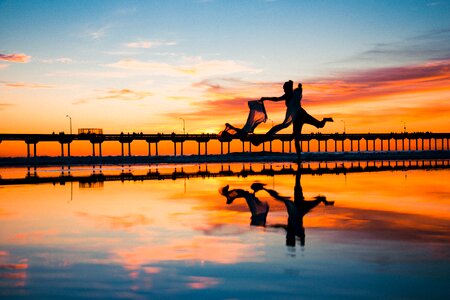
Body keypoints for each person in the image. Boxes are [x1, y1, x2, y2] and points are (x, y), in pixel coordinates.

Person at [254, 82, 333, 160]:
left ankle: (325, 120)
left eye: (284, 88)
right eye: (283, 89)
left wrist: (300, 87)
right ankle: (299, 158)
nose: (284, 90)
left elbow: (296, 92)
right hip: (296, 119)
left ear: (288, 89)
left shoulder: (292, 94)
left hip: (303, 115)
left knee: (319, 125)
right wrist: (266, 98)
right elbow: (276, 99)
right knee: (296, 138)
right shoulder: (288, 95)